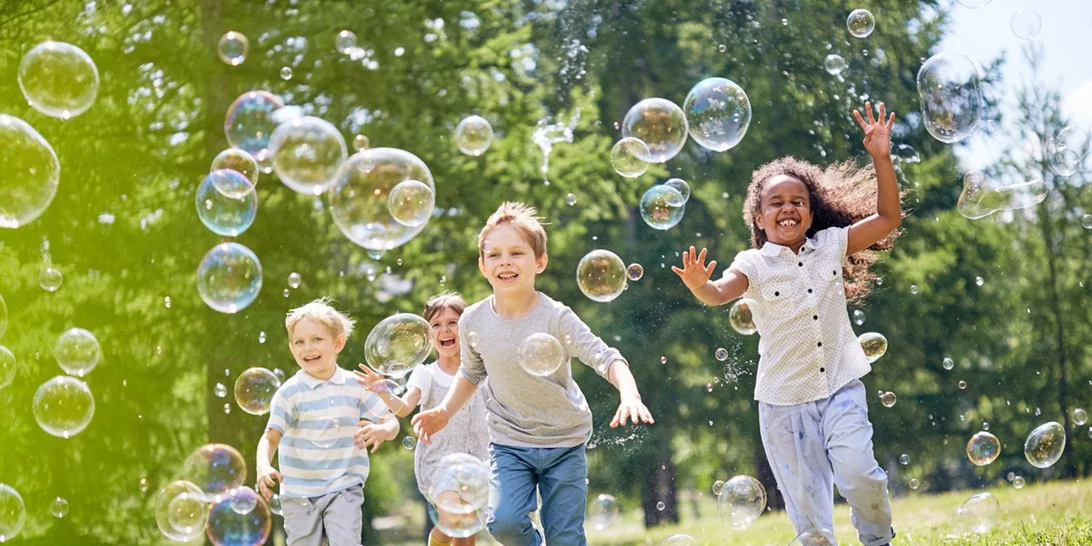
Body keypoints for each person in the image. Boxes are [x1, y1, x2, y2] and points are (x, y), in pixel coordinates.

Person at [673, 102, 902, 546]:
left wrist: (881, 156)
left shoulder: (832, 245)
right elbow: (721, 293)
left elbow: (888, 219)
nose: (788, 208)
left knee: (860, 474)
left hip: (840, 385)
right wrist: (701, 285)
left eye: (798, 201)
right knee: (811, 525)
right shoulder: (754, 264)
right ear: (758, 218)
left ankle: (878, 538)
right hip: (783, 404)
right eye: (775, 202)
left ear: (812, 214)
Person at [411, 202, 655, 546]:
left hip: (564, 441)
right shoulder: (473, 320)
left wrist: (629, 393)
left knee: (566, 538)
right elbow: (471, 373)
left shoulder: (556, 316)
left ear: (539, 262)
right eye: (494, 255)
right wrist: (443, 412)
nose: (505, 261)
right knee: (503, 523)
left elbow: (605, 356)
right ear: (482, 266)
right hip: (509, 442)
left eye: (516, 252)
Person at [255, 298, 400, 546]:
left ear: (338, 343)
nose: (308, 348)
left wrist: (383, 429)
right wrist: (262, 466)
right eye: (299, 342)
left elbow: (392, 421)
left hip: (344, 485)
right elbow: (271, 436)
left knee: (346, 542)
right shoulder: (290, 392)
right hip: (299, 492)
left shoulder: (357, 385)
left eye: (316, 339)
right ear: (292, 349)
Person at [354, 291, 489, 546]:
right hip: (439, 460)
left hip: (479, 458)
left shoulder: (482, 369)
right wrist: (382, 389)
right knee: (452, 517)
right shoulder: (425, 374)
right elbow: (404, 408)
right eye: (436, 325)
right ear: (428, 337)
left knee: (467, 532)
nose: (444, 330)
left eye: (452, 323)